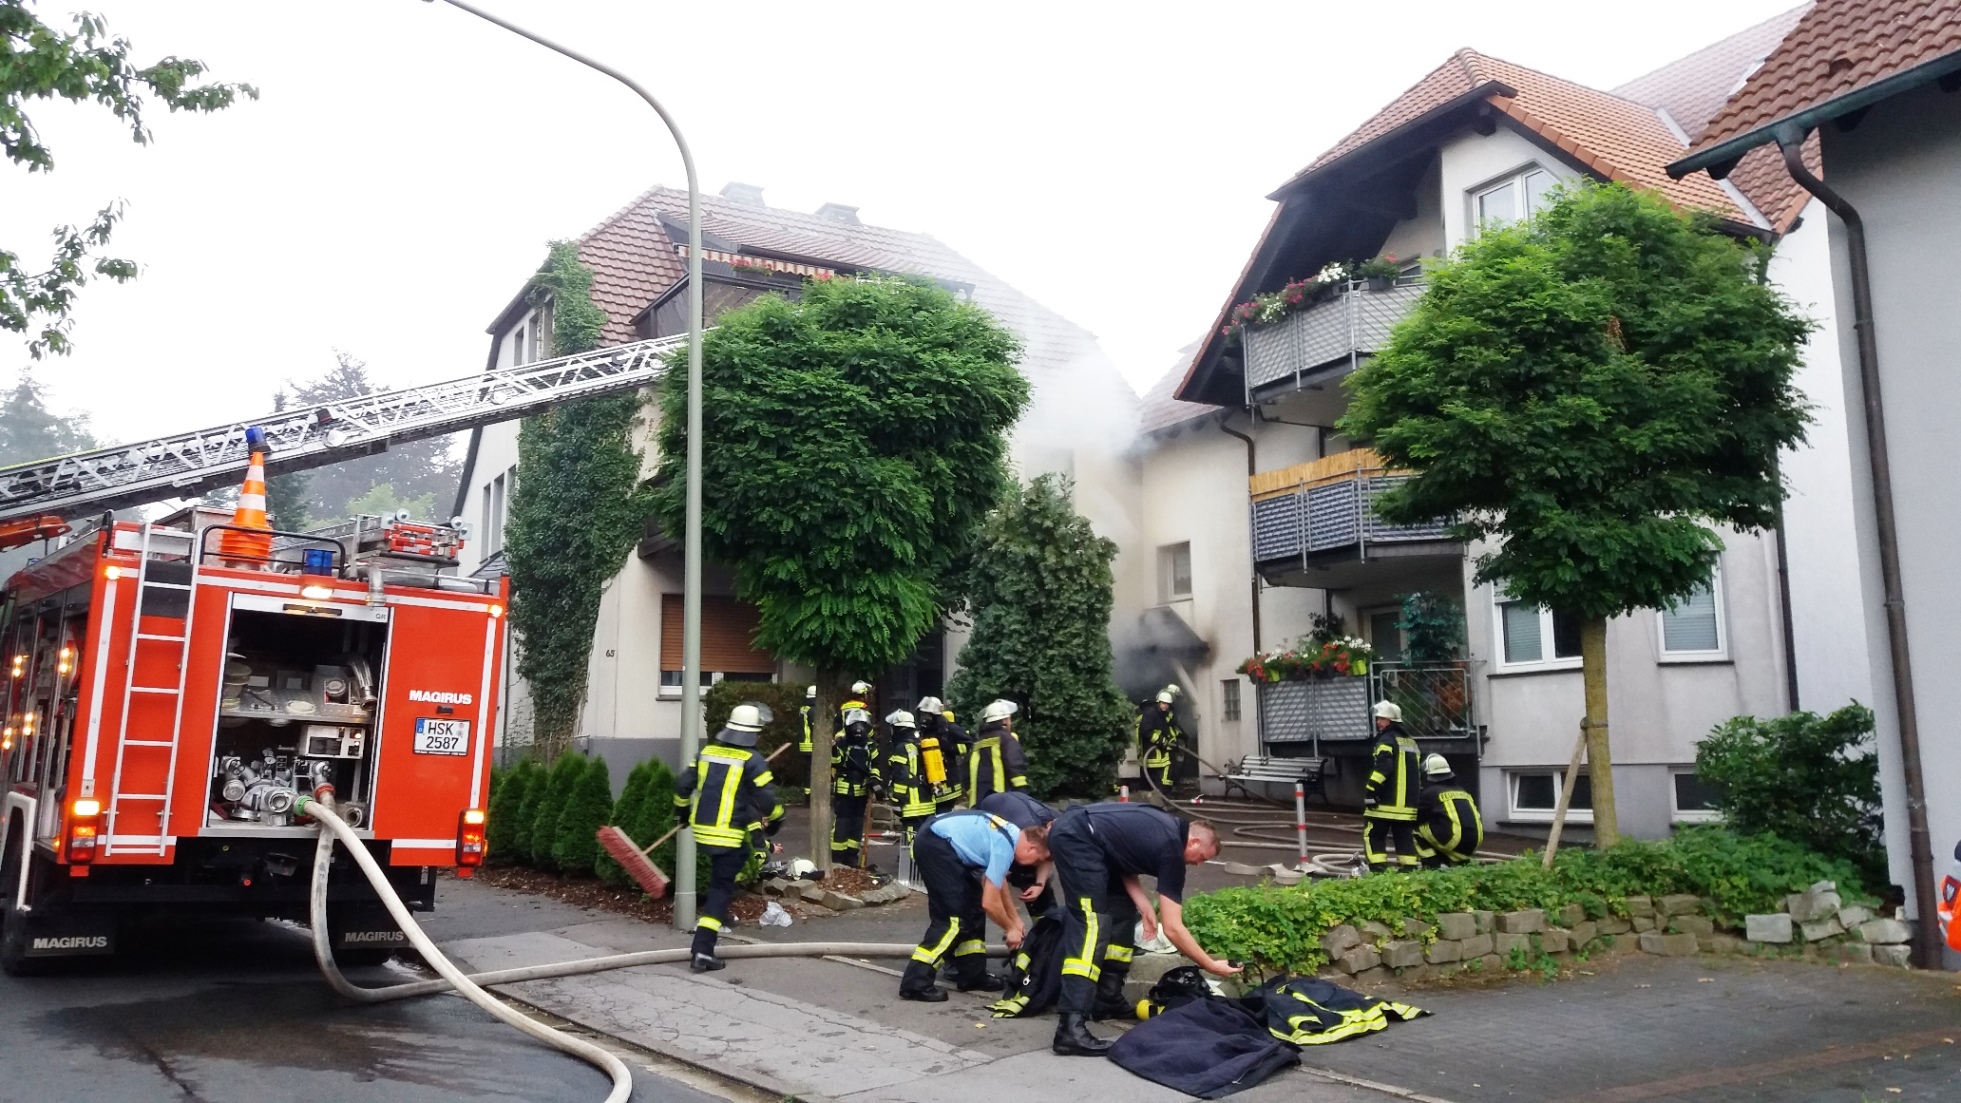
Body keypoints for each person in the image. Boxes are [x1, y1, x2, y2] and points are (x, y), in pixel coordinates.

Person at [1045, 802, 1239, 1056]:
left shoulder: (1163, 826)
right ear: (1192, 842)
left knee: (1122, 913)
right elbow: (1173, 928)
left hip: (1090, 840)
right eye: (1202, 857)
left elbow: (1121, 854)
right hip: (1077, 839)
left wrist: (1144, 905)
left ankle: (1107, 999)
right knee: (1092, 925)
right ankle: (1070, 1027)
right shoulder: (1172, 849)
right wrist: (1210, 965)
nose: (1199, 865)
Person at [673, 701, 783, 972]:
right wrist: (777, 819)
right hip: (728, 835)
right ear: (753, 732)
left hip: (703, 830)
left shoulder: (706, 753)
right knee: (720, 889)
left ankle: (718, 918)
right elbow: (767, 799)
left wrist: (682, 813)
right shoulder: (753, 760)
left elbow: (682, 785)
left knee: (723, 881)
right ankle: (703, 950)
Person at [900, 809, 1050, 1002]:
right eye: (1037, 860)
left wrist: (1015, 920)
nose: (1033, 865)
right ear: (1030, 848)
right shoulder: (1005, 845)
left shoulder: (1011, 836)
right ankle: (915, 982)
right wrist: (1009, 928)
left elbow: (996, 882)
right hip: (935, 844)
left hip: (943, 842)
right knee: (953, 920)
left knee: (972, 911)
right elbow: (990, 903)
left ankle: (972, 974)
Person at [977, 789, 1060, 914]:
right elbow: (996, 878)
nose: (1039, 862)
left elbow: (1047, 856)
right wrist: (1012, 920)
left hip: (1019, 806)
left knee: (1032, 872)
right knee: (1017, 870)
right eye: (1038, 860)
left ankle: (1046, 924)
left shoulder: (1056, 829)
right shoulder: (1012, 837)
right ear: (1030, 847)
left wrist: (1039, 884)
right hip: (988, 809)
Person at [1363, 700, 1422, 872]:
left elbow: (1384, 767)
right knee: (1404, 837)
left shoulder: (1386, 740)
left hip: (1385, 803)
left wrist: (1371, 791)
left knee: (1374, 834)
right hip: (1407, 806)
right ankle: (1408, 871)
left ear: (1389, 721)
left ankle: (1378, 871)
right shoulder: (1411, 742)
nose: (1378, 722)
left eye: (1381, 719)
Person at [1414, 754, 1482, 867]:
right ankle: (1457, 862)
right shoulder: (1463, 792)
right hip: (1473, 843)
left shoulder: (1430, 793)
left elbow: (1416, 817)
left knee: (1412, 829)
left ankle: (1431, 864)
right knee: (1439, 828)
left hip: (1452, 841)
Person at [883, 709, 940, 842]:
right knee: (926, 835)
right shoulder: (920, 743)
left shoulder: (902, 748)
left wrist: (897, 799)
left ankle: (911, 860)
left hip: (912, 803)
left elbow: (901, 777)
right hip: (927, 800)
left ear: (899, 729)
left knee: (911, 834)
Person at [831, 707, 877, 866]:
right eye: (855, 726)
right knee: (843, 823)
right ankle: (837, 857)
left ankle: (852, 857)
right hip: (845, 790)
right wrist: (833, 750)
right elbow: (836, 762)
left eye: (862, 726)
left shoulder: (870, 746)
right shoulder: (842, 743)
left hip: (862, 790)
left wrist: (874, 780)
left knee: (857, 824)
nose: (858, 730)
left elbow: (875, 765)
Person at [968, 698, 1030, 805]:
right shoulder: (1007, 739)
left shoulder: (978, 742)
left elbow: (965, 771)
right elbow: (1015, 765)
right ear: (1005, 721)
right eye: (1009, 719)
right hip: (1001, 801)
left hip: (978, 801)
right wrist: (1022, 792)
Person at [917, 697, 968, 813]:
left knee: (942, 814)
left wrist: (949, 747)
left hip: (948, 782)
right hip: (931, 783)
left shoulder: (950, 729)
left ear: (935, 715)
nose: (925, 719)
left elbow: (969, 744)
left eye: (928, 716)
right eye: (923, 716)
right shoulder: (924, 731)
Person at [1135, 686, 1182, 791]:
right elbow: (1146, 731)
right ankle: (1161, 795)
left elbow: (1167, 730)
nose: (1165, 706)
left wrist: (1172, 741)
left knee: (1167, 773)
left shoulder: (1163, 715)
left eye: (1167, 704)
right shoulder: (1151, 713)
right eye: (1163, 703)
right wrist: (1160, 740)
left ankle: (1165, 793)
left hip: (1161, 754)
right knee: (1155, 779)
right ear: (1158, 702)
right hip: (1152, 754)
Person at [798, 684, 816, 754]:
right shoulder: (813, 710)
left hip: (804, 743)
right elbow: (815, 727)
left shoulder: (803, 708)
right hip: (811, 744)